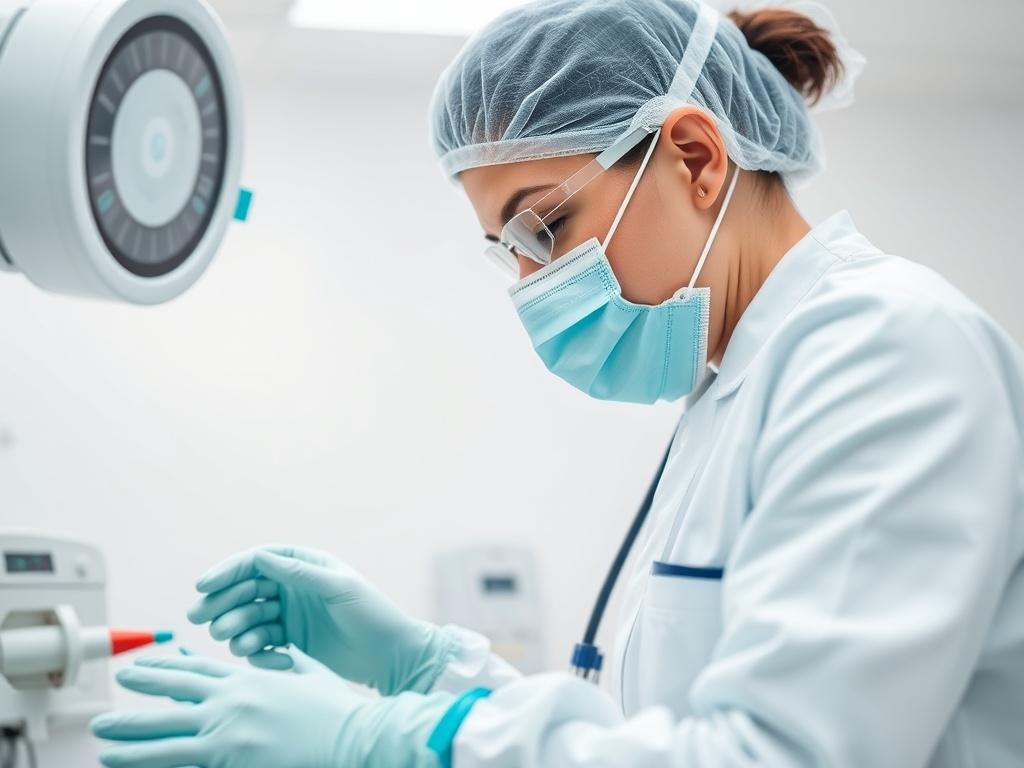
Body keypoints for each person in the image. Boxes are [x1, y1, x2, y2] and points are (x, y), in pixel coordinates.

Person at [91, 0, 1024, 766]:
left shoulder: (884, 356)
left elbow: (772, 754)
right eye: (509, 256)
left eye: (542, 229)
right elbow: (649, 742)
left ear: (696, 158)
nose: (534, 289)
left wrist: (391, 744)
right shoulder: (734, 388)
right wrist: (425, 671)